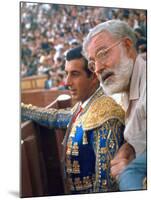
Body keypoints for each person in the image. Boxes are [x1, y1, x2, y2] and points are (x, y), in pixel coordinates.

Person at [21, 46, 125, 194]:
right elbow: (55, 117)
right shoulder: (87, 105)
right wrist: (22, 109)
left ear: (94, 76)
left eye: (75, 74)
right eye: (66, 74)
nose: (67, 82)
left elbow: (106, 184)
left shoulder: (105, 116)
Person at [83, 19, 146, 191]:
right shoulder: (123, 86)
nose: (97, 68)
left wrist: (131, 174)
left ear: (127, 45)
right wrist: (130, 147)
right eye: (92, 63)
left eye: (103, 53)